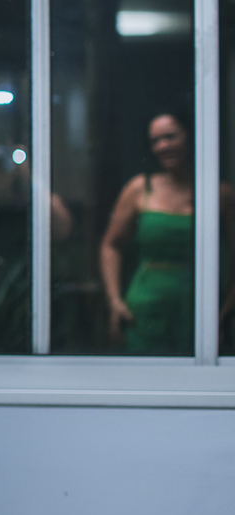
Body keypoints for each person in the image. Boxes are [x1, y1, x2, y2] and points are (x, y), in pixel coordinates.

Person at [100, 112, 235, 353]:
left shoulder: (220, 193)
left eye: (170, 137)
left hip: (201, 310)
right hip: (144, 309)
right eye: (155, 141)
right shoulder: (140, 188)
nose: (163, 146)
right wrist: (114, 301)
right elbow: (112, 245)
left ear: (190, 136)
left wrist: (226, 311)